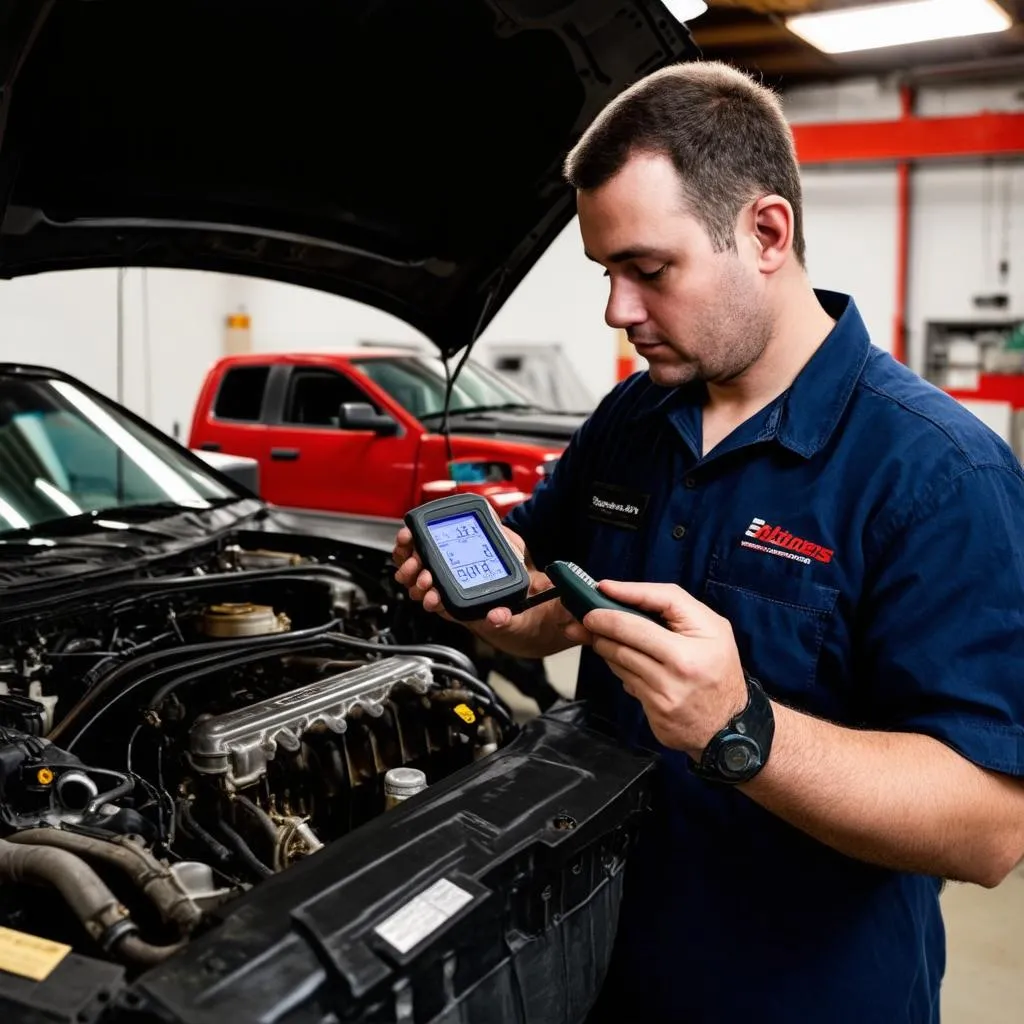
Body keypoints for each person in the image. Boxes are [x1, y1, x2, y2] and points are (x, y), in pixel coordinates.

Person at [392, 61, 1024, 1023]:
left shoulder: (939, 474)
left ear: (766, 232)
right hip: (597, 962)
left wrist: (743, 728)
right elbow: (544, 608)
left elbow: (989, 827)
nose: (618, 310)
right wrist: (491, 608)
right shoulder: (633, 419)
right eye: (607, 274)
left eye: (648, 270)